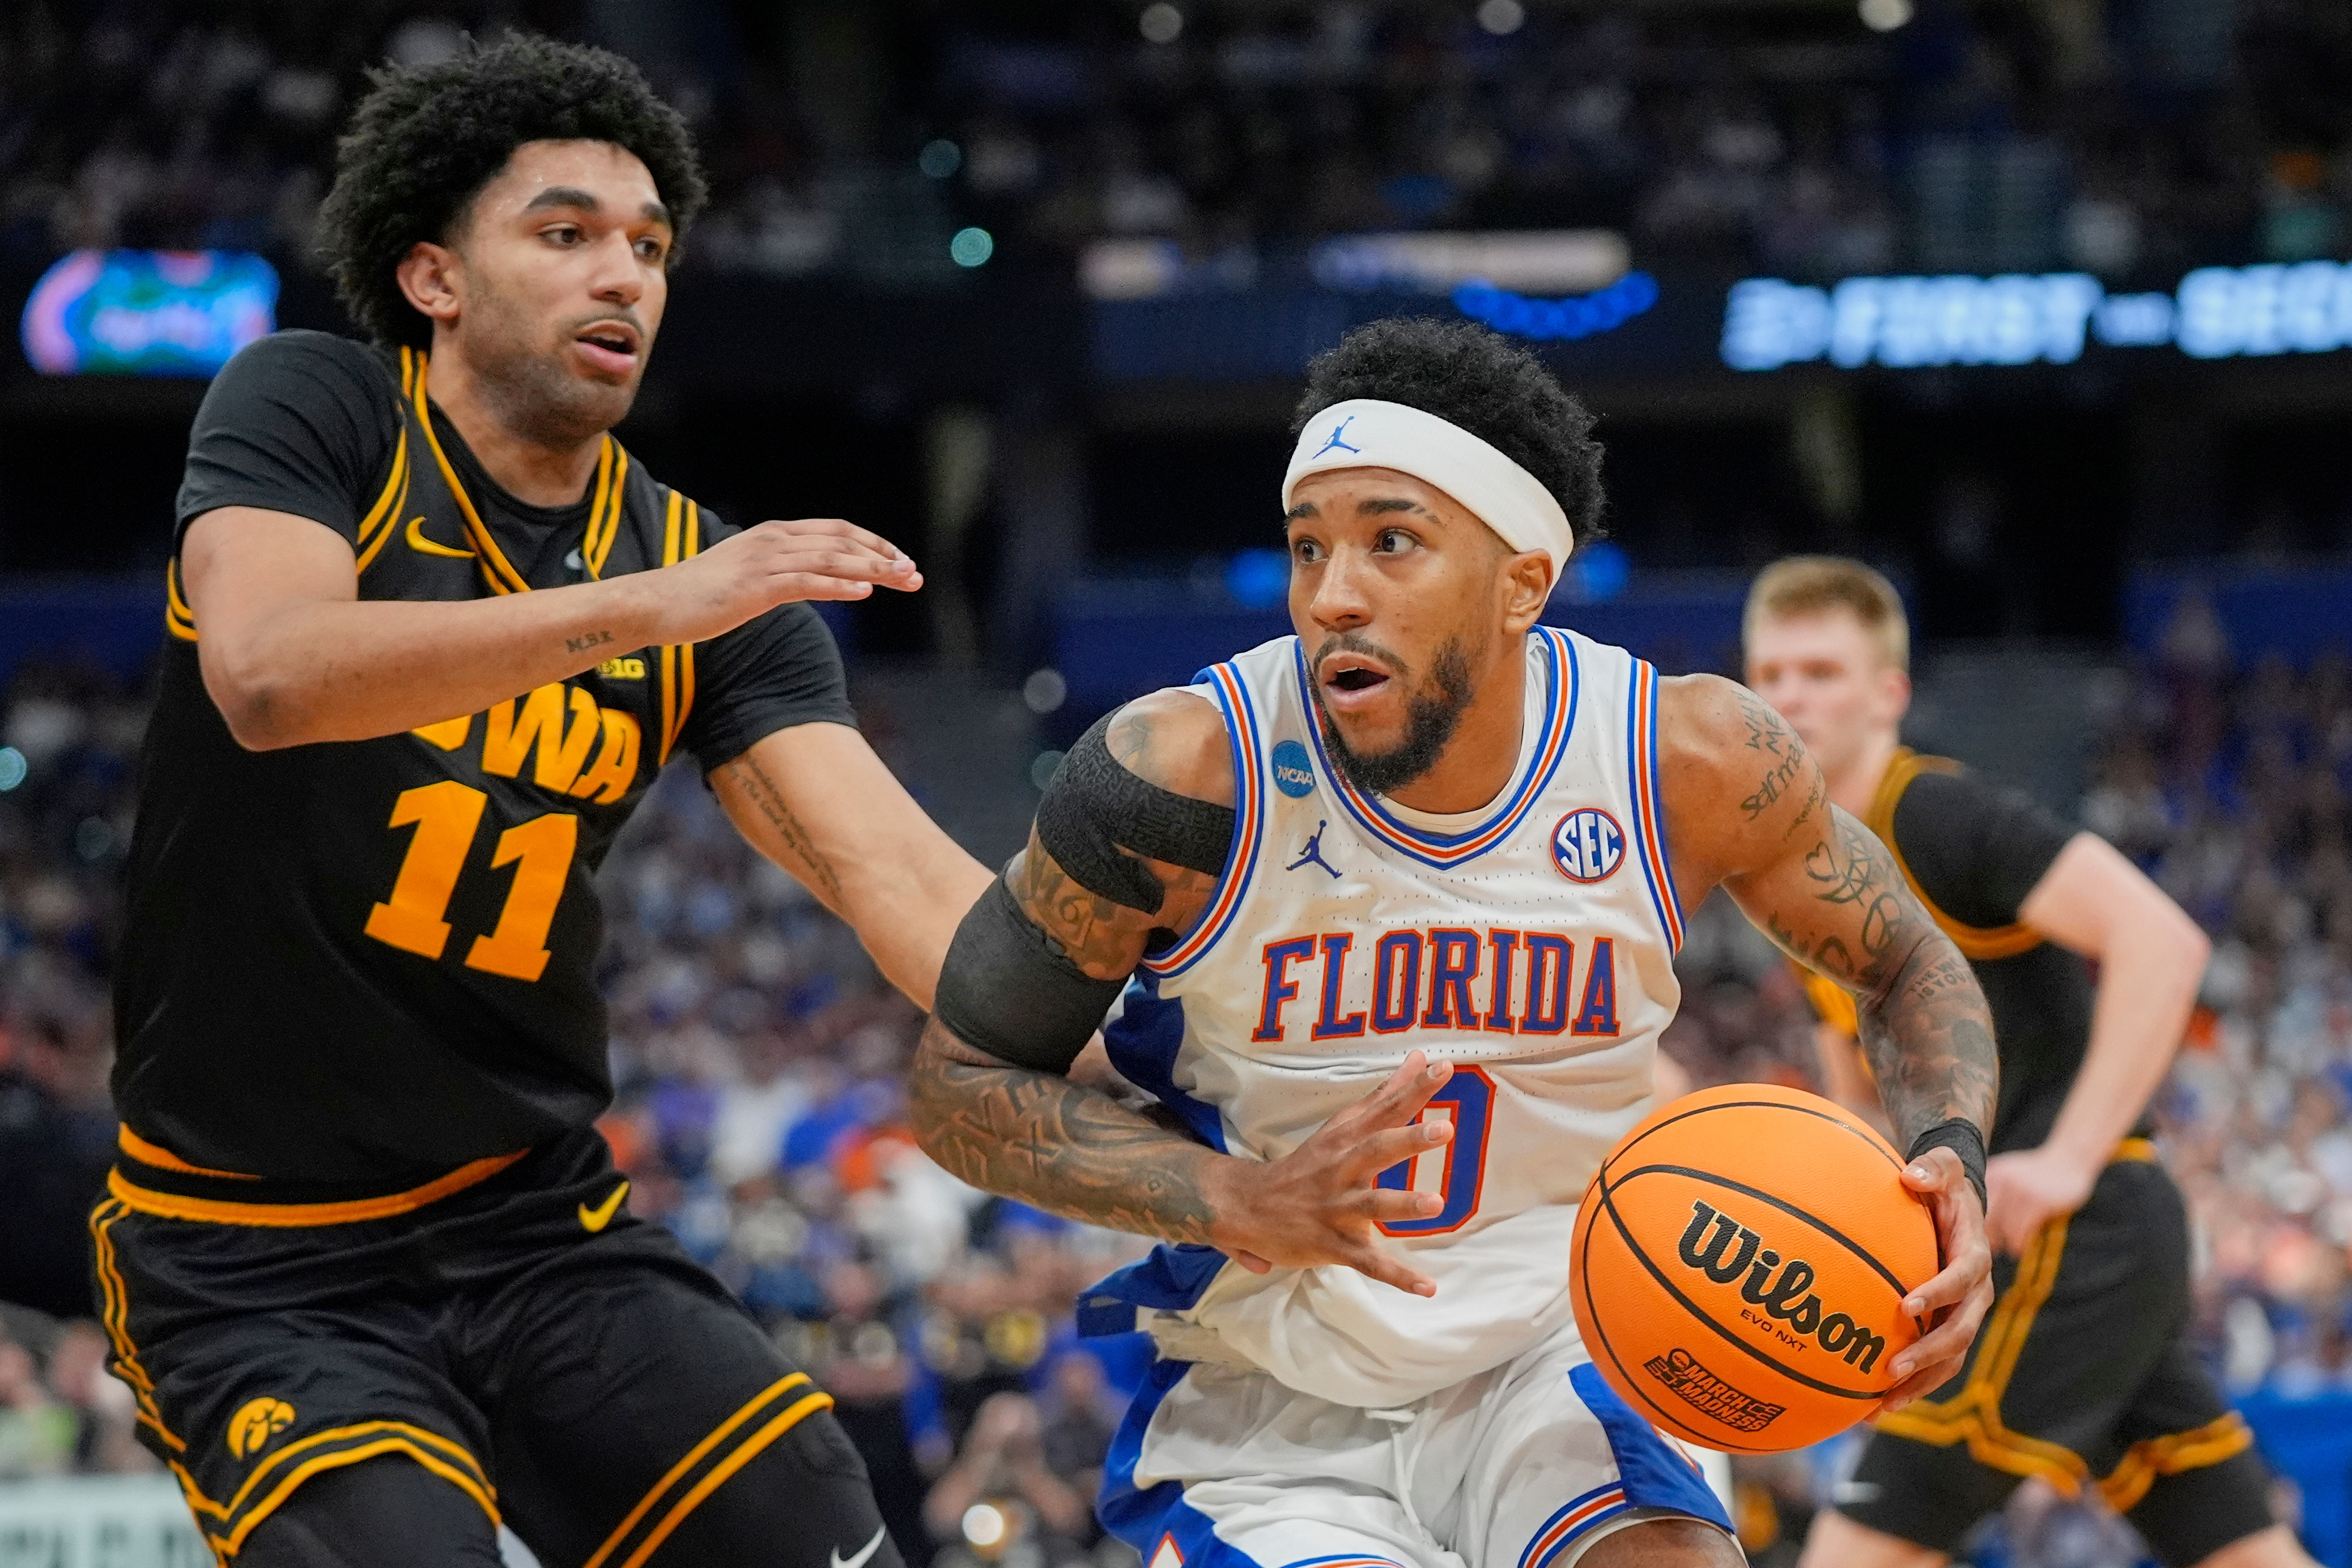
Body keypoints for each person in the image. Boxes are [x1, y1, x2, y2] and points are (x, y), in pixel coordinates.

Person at [903, 318, 2000, 1568]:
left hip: (1577, 1338)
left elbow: (1907, 959)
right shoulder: (1179, 776)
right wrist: (1235, 1196)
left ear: (1523, 580)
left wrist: (1951, 1164)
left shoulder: (1683, 757)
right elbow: (959, 1080)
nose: (1332, 593)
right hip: (1276, 1398)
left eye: (1392, 541)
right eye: (1308, 546)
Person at [104, 36, 992, 1568]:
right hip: (253, 1255)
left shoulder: (708, 578)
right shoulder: (318, 411)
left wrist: (1168, 1032)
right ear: (436, 278)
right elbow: (268, 673)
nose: (625, 277)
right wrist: (654, 608)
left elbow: (898, 881)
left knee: (816, 1525)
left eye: (649, 247)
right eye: (566, 233)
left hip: (533, 1220)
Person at [1741, 558, 2306, 1568]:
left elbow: (2163, 942)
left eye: (1821, 671)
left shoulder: (1936, 818)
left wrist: (2069, 1158)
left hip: (2067, 1232)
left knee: (1857, 1549)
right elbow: (1854, 1067)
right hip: (2067, 1248)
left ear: (1890, 694)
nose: (1790, 696)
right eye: (1771, 673)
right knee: (2243, 1555)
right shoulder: (1803, 861)